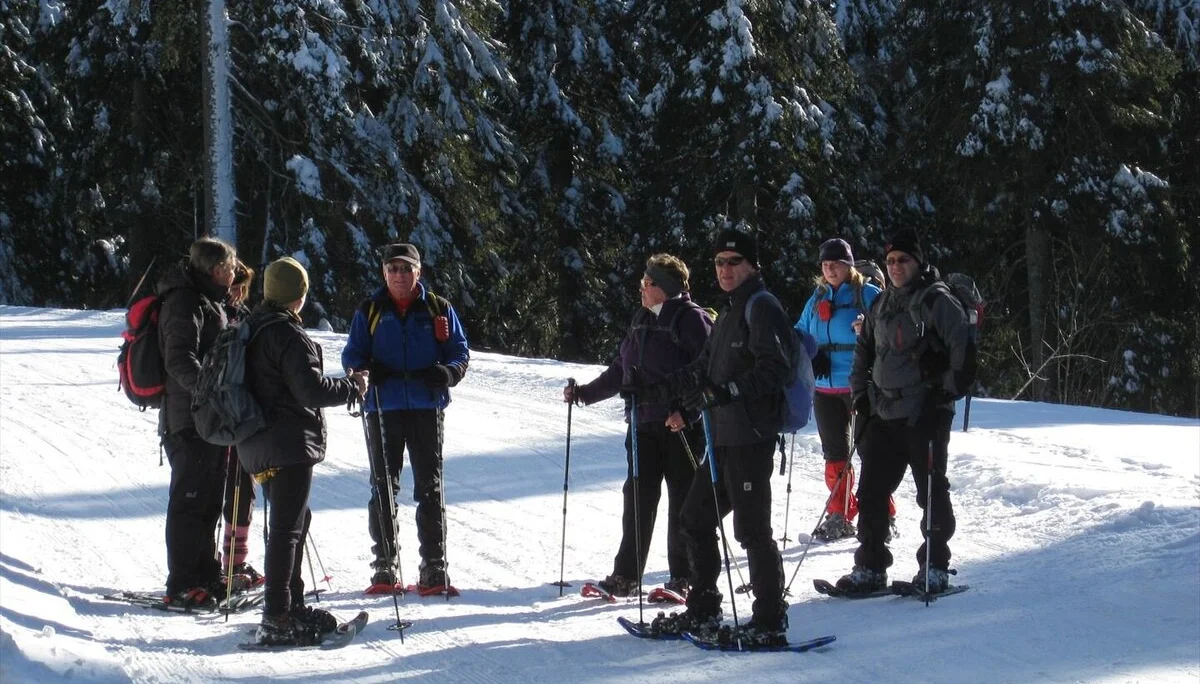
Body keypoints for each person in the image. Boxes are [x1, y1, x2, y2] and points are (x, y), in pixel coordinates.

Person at [630, 228, 793, 644]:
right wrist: (653, 391)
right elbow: (700, 369)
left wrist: (729, 391)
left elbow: (776, 368)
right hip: (722, 437)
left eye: (733, 262)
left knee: (752, 530)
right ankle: (703, 609)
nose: (725, 269)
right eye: (719, 262)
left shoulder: (762, 307)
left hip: (750, 437)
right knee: (694, 519)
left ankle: (770, 620)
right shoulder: (729, 311)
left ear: (752, 266)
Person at [563, 254, 713, 598]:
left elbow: (706, 374)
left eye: (648, 284)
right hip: (643, 423)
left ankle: (684, 577)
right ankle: (627, 576)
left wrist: (687, 414)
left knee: (683, 503)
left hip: (680, 428)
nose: (641, 289)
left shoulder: (693, 320)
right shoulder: (642, 318)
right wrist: (585, 394)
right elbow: (621, 369)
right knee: (637, 500)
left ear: (666, 288)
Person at [238, 257, 369, 645]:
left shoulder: (251, 327)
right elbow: (310, 390)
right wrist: (353, 386)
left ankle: (290, 605)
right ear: (299, 295)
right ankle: (277, 615)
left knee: (293, 523)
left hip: (255, 441)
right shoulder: (288, 336)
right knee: (286, 529)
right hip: (287, 442)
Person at [836, 228, 972, 595]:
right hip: (882, 411)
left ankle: (935, 566)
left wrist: (945, 393)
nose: (895, 267)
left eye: (903, 260)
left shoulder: (936, 301)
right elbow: (863, 352)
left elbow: (963, 348)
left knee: (931, 491)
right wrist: (860, 395)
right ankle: (870, 566)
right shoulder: (881, 303)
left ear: (919, 262)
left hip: (924, 411)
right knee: (871, 491)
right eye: (891, 260)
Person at [341, 243, 470, 591]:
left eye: (405, 268)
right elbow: (352, 355)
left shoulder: (438, 308)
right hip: (383, 407)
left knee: (430, 487)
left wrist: (449, 373)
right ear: (384, 273)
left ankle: (433, 566)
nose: (399, 274)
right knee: (383, 487)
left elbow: (460, 352)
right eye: (393, 268)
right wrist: (365, 371)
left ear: (418, 271)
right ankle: (384, 565)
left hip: (427, 407)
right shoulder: (369, 310)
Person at [793, 238, 895, 541]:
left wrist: (869, 330)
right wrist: (811, 353)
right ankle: (840, 513)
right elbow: (800, 331)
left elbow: (890, 329)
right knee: (834, 454)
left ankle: (883, 514)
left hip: (860, 383)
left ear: (848, 265)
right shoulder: (817, 297)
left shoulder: (868, 294)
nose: (829, 269)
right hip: (824, 387)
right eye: (825, 265)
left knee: (871, 452)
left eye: (835, 264)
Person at [155, 236, 237, 608]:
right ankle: (182, 581)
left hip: (208, 418)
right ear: (217, 269)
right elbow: (178, 359)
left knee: (208, 499)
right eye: (232, 268)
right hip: (187, 419)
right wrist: (210, 392)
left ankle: (205, 572)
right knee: (189, 500)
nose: (235, 274)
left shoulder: (208, 300)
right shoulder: (184, 301)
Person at [221, 260, 263, 590]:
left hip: (240, 414)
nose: (237, 292)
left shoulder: (244, 316)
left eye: (242, 286)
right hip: (224, 416)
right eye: (234, 284)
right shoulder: (218, 316)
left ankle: (234, 561)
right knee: (232, 487)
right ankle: (228, 565)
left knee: (243, 487)